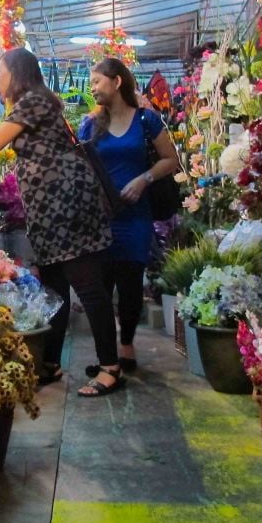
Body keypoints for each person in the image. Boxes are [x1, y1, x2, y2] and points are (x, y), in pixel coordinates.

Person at [0, 48, 126, 398]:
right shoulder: (36, 102)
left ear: (18, 73)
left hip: (67, 209)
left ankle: (111, 367)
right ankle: (49, 362)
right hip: (51, 211)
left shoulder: (32, 101)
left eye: (0, 73)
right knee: (57, 288)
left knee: (87, 285)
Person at [78, 58, 179, 375]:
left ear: (117, 81)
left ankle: (127, 345)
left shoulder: (147, 120)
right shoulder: (90, 125)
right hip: (100, 217)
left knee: (132, 282)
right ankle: (106, 354)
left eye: (97, 81)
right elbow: (80, 168)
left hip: (135, 216)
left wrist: (144, 179)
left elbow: (171, 160)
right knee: (100, 286)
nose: (92, 88)